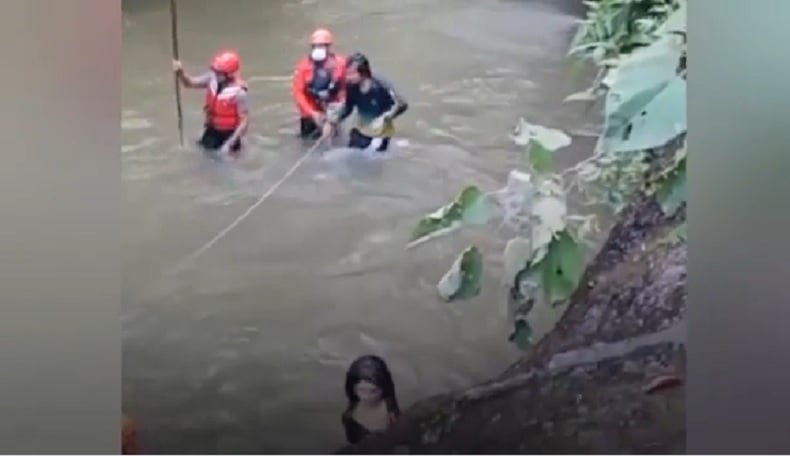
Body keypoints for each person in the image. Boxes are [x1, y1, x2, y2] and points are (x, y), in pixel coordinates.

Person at [324, 52, 408, 153]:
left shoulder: (381, 85)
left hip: (381, 132)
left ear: (363, 73)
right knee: (353, 156)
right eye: (347, 73)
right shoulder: (351, 86)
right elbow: (348, 108)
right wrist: (333, 121)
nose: (347, 77)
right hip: (361, 128)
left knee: (373, 159)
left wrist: (388, 117)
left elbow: (402, 104)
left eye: (351, 73)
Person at [172, 50, 249, 157]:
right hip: (212, 130)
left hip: (229, 135)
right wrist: (180, 73)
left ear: (229, 74)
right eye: (216, 71)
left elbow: (244, 122)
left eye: (220, 73)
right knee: (201, 156)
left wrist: (230, 144)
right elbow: (189, 83)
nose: (216, 74)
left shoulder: (239, 93)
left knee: (225, 166)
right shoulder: (211, 78)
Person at [292, 28, 347, 140]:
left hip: (332, 110)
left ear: (328, 47)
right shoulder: (303, 66)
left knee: (334, 141)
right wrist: (312, 113)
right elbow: (298, 93)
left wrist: (337, 109)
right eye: (316, 46)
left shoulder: (341, 64)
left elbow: (345, 87)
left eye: (322, 46)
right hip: (310, 111)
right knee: (307, 141)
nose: (318, 49)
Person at [341, 355, 401, 444]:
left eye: (373, 391)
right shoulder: (349, 416)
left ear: (384, 388)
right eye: (361, 390)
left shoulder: (392, 415)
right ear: (353, 389)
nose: (367, 397)